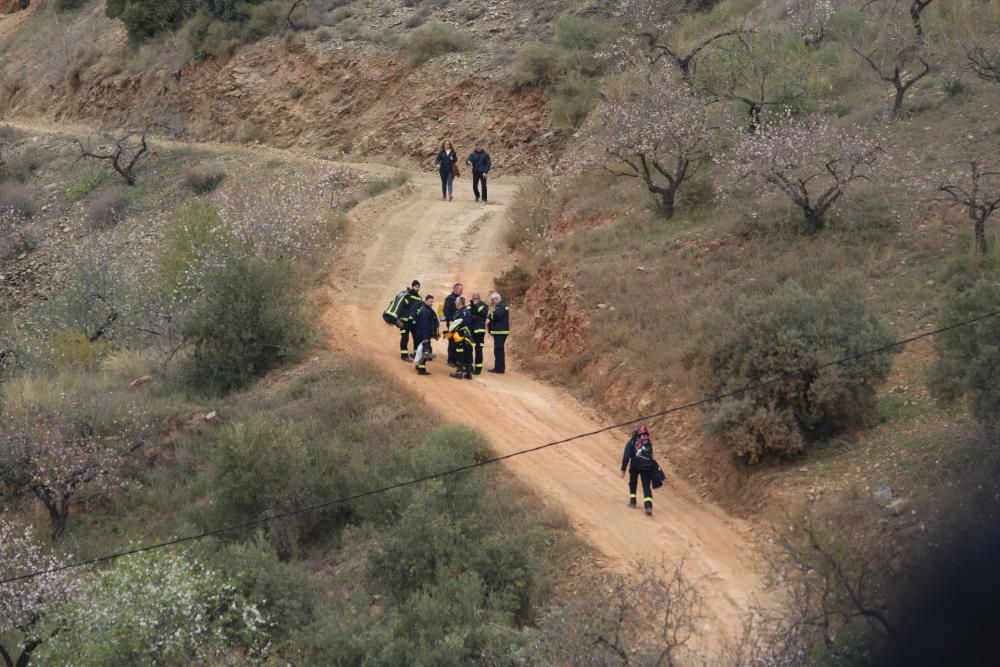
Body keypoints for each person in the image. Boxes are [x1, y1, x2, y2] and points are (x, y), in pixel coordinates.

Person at [383, 280, 422, 361]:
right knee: (405, 338)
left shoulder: (419, 298)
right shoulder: (406, 295)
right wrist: (397, 320)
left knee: (416, 338)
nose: (417, 288)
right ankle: (404, 355)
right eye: (416, 286)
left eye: (418, 287)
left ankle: (415, 354)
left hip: (413, 323)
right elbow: (399, 307)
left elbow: (419, 310)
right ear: (412, 286)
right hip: (403, 322)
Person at [620, 426, 656, 515]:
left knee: (633, 483)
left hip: (635, 466)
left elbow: (626, 457)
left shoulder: (631, 443)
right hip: (646, 466)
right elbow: (650, 455)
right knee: (646, 486)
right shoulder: (647, 443)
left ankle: (633, 502)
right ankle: (648, 507)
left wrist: (623, 469)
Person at [413, 294, 440, 375]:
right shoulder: (425, 311)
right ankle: (421, 370)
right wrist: (426, 338)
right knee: (425, 353)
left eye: (432, 302)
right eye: (430, 301)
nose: (432, 303)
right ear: (426, 301)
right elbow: (424, 325)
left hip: (423, 335)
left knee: (423, 352)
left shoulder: (426, 309)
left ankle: (419, 367)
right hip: (423, 336)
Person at [449, 296, 474, 380]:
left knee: (460, 353)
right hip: (467, 336)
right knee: (468, 354)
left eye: (456, 302)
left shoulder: (461, 312)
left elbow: (459, 324)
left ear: (459, 303)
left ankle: (459, 373)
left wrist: (452, 326)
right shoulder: (466, 311)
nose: (455, 304)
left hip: (461, 336)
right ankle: (468, 373)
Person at [487, 291, 509, 374]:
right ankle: (499, 368)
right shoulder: (500, 306)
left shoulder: (502, 306)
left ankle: (499, 369)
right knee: (498, 350)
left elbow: (497, 316)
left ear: (497, 299)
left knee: (498, 350)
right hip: (499, 332)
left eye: (493, 300)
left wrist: (489, 315)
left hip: (500, 332)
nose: (492, 302)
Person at [469, 292, 489, 375]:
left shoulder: (484, 305)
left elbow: (483, 313)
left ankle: (478, 368)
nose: (475, 300)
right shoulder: (470, 305)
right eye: (473, 298)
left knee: (478, 349)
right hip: (471, 330)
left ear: (479, 299)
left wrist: (474, 305)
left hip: (479, 331)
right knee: (469, 348)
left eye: (476, 298)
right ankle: (469, 367)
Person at [443, 283, 463, 366]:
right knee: (452, 342)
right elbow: (446, 310)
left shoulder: (460, 299)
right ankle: (450, 360)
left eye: (462, 289)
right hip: (452, 324)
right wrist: (450, 320)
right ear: (455, 289)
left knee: (458, 341)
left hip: (459, 324)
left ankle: (456, 360)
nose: (462, 291)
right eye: (460, 289)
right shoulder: (450, 298)